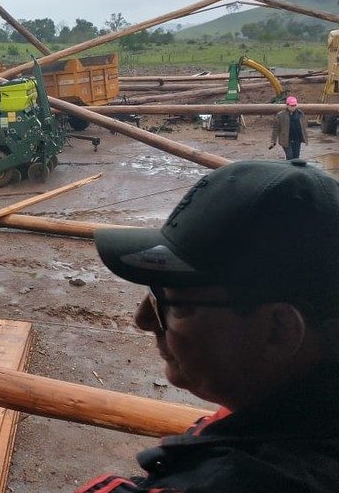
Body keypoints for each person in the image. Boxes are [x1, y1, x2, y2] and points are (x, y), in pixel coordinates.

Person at [77, 159, 339, 493]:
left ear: (278, 331)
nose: (142, 320)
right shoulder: (295, 407)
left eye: (176, 303)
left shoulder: (248, 478)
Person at [270, 95, 308, 160]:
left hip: (297, 139)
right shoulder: (280, 115)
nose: (293, 107)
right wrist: (273, 141)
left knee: (296, 157)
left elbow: (304, 126)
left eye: (294, 105)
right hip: (286, 139)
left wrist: (305, 137)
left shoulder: (300, 114)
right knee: (290, 156)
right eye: (291, 106)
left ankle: (295, 169)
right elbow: (276, 129)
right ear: (287, 105)